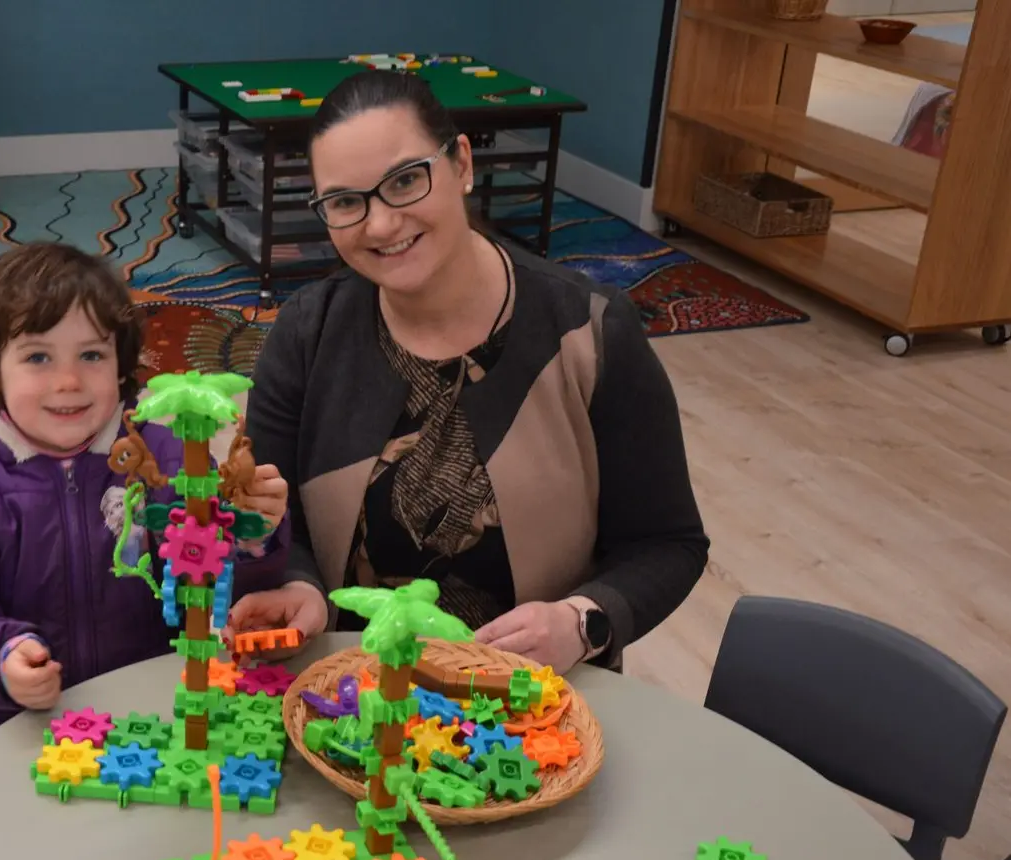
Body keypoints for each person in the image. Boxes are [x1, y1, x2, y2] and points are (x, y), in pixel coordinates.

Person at [226, 70, 708, 673]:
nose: (379, 224)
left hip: (535, 707)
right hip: (355, 693)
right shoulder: (307, 333)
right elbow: (277, 517)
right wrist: (299, 585)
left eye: (405, 180)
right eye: (346, 201)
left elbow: (668, 543)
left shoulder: (589, 333)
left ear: (460, 164)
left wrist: (582, 621)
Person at [0, 243, 290, 753]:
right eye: (38, 356)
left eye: (92, 355)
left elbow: (220, 584)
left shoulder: (169, 462)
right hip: (22, 731)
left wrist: (254, 531)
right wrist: (0, 657)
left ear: (122, 368)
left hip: (156, 714)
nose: (68, 381)